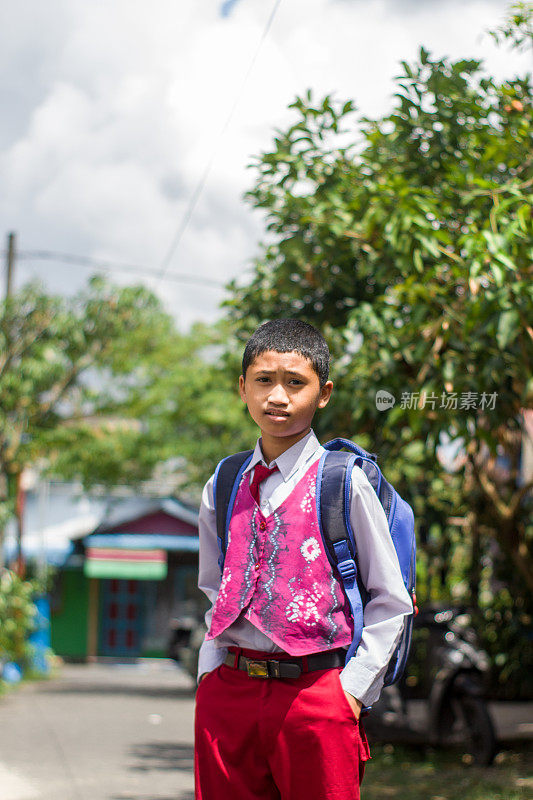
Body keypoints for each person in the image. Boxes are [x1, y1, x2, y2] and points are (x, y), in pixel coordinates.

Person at [194, 318, 413, 800]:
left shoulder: (343, 481)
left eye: (296, 382)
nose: (278, 396)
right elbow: (215, 586)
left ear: (324, 392)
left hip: (317, 693)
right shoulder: (224, 482)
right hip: (229, 691)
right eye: (263, 380)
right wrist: (210, 674)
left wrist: (351, 692)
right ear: (242, 388)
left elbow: (390, 598)